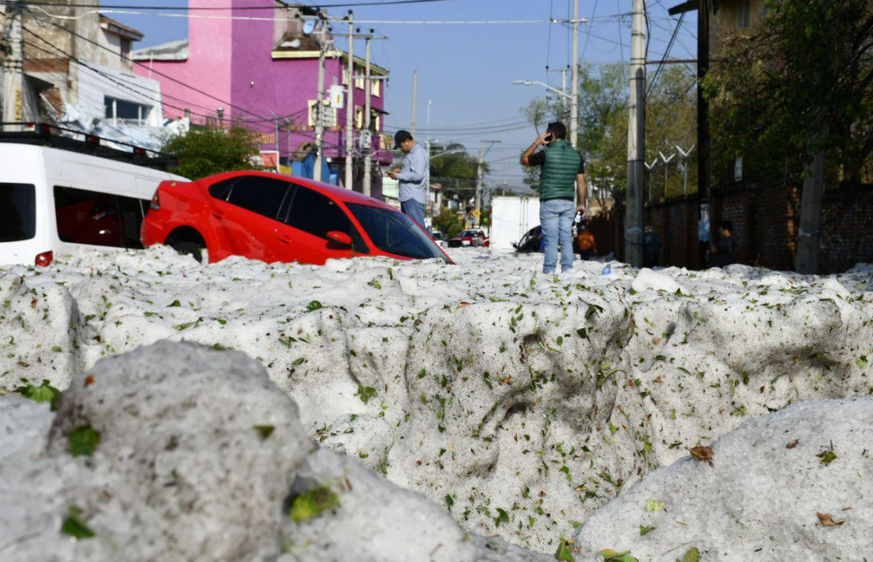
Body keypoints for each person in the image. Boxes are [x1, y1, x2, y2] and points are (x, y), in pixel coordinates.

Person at [520, 122, 587, 274]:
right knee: (566, 239)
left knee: (551, 239)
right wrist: (582, 204)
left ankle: (549, 271)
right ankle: (567, 270)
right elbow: (582, 184)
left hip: (549, 201)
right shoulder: (576, 155)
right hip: (568, 202)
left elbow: (524, 159)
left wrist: (537, 142)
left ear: (551, 135)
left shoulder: (546, 153)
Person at [387, 130, 428, 228]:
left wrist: (398, 176)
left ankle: (426, 244)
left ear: (407, 141)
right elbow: (413, 171)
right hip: (408, 198)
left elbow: (417, 175)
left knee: (417, 231)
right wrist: (401, 172)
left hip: (412, 198)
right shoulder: (413, 153)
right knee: (411, 231)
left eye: (401, 146)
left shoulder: (417, 153)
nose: (400, 149)